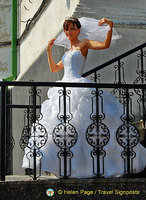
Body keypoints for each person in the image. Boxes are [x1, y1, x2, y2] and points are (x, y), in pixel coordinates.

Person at [22, 17, 146, 178]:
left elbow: (105, 45)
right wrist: (48, 50)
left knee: (84, 127)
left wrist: (110, 27)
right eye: (66, 29)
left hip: (78, 87)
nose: (69, 32)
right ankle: (70, 167)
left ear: (79, 30)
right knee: (65, 128)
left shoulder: (84, 43)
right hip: (64, 88)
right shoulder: (67, 53)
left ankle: (90, 167)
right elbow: (54, 69)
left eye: (72, 28)